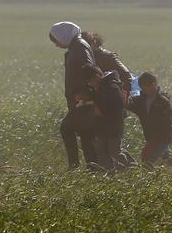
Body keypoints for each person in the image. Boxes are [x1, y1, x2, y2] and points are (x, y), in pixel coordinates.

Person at [50, 21, 97, 170]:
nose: (56, 45)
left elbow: (89, 70)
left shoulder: (79, 47)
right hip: (81, 100)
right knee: (85, 134)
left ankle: (74, 166)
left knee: (66, 128)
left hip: (83, 101)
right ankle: (92, 168)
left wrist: (84, 93)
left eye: (56, 40)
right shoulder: (77, 45)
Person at [127, 72, 172, 173]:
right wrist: (125, 99)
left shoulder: (163, 102)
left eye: (145, 88)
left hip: (161, 137)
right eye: (142, 88)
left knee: (147, 156)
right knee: (167, 157)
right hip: (151, 135)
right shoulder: (142, 99)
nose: (143, 90)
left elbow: (170, 121)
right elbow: (133, 107)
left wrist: (160, 137)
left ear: (153, 85)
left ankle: (148, 177)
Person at [85, 65, 127, 172]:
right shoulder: (98, 87)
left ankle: (128, 168)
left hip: (113, 125)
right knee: (101, 149)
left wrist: (101, 109)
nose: (90, 83)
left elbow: (119, 104)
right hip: (101, 125)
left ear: (97, 76)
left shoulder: (112, 86)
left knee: (114, 151)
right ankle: (108, 173)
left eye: (90, 80)